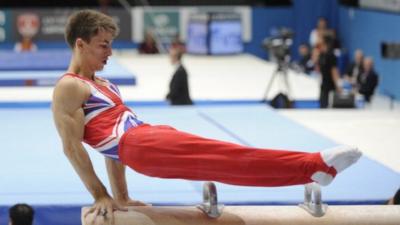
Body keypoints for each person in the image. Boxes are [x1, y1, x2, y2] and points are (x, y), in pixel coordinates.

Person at [52, 10, 362, 222]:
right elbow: (71, 147)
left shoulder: (104, 84)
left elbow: (112, 150)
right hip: (140, 145)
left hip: (144, 138)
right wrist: (101, 195)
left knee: (227, 159)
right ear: (81, 44)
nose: (110, 53)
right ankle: (314, 166)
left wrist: (122, 196)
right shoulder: (69, 86)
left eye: (111, 45)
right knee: (228, 158)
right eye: (103, 46)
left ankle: (313, 169)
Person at [317, 35, 342, 108]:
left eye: (320, 40)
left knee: (330, 106)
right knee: (322, 104)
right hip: (323, 84)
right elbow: (319, 69)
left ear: (325, 43)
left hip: (331, 85)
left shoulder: (331, 55)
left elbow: (334, 71)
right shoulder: (321, 54)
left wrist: (338, 85)